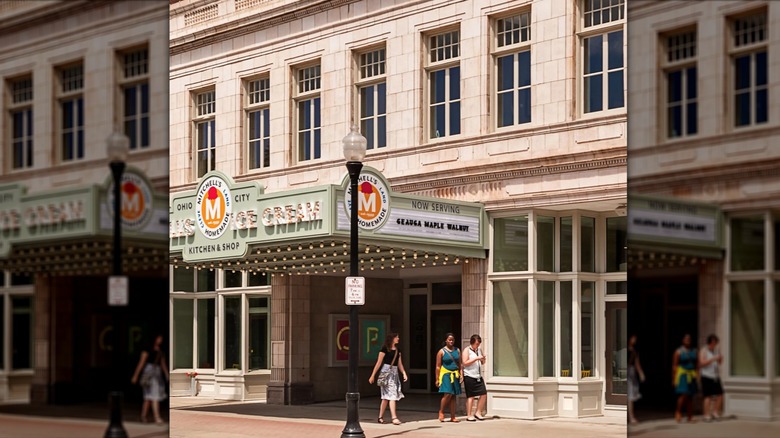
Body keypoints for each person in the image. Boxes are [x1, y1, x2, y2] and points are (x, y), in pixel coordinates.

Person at [368, 332, 407, 425]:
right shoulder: (384, 349)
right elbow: (378, 362)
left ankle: (380, 417)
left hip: (394, 373)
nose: (398, 338)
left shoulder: (398, 350)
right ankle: (394, 418)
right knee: (390, 395)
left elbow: (399, 363)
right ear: (392, 338)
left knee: (387, 397)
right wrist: (373, 375)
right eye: (397, 337)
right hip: (385, 373)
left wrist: (404, 373)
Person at [131, 334, 169, 424]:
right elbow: (141, 363)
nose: (161, 340)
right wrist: (136, 375)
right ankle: (155, 417)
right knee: (149, 396)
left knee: (152, 395)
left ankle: (145, 416)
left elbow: (163, 364)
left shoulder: (160, 351)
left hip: (157, 373)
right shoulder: (147, 350)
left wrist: (167, 375)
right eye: (159, 338)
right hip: (148, 373)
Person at [435, 332, 463, 423]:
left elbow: (460, 364)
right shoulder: (441, 352)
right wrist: (437, 378)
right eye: (449, 339)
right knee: (447, 393)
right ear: (446, 340)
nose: (451, 341)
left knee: (453, 395)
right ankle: (441, 411)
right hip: (446, 374)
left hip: (455, 374)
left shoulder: (457, 350)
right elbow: (438, 366)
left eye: (453, 340)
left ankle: (453, 416)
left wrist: (461, 374)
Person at [672, 333, 698, 423]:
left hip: (691, 375)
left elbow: (696, 364)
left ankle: (690, 416)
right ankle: (678, 411)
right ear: (682, 340)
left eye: (689, 339)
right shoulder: (678, 351)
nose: (688, 340)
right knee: (683, 394)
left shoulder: (694, 350)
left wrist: (697, 374)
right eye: (686, 339)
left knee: (690, 396)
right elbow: (674, 366)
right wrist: (674, 379)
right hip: (682, 375)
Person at [462, 334, 488, 421]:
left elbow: (483, 362)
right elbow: (465, 363)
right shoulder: (467, 350)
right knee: (471, 396)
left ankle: (478, 412)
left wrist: (483, 359)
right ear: (472, 343)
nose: (478, 345)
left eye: (479, 343)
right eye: (476, 344)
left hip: (478, 376)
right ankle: (469, 415)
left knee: (483, 394)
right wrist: (476, 358)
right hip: (469, 375)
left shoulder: (479, 350)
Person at [699, 334, 724, 422]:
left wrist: (720, 358)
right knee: (707, 396)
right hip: (706, 375)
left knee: (720, 394)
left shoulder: (717, 350)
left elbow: (720, 363)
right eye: (714, 342)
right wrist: (713, 358)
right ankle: (706, 415)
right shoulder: (704, 350)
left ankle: (715, 412)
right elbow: (701, 363)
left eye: (716, 342)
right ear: (710, 342)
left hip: (715, 376)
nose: (715, 344)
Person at [627, 334, 645, 424]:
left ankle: (631, 416)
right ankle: (630, 417)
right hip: (626, 372)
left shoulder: (634, 351)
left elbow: (637, 363)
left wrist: (641, 373)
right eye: (633, 338)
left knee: (631, 395)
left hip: (631, 372)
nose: (634, 340)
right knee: (628, 395)